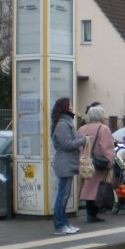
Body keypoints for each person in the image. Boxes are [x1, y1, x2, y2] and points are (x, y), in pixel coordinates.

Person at [50, 97, 87, 235]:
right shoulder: (63, 124)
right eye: (69, 105)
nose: (72, 106)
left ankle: (64, 223)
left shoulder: (65, 122)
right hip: (64, 162)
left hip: (67, 162)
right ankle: (60, 225)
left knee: (64, 196)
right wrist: (83, 140)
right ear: (65, 107)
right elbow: (67, 144)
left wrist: (80, 139)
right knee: (62, 196)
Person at [77, 105, 115, 222]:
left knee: (87, 188)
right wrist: (109, 162)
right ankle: (93, 214)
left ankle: (90, 214)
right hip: (97, 163)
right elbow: (107, 147)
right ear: (100, 116)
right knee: (97, 188)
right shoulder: (103, 129)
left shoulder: (81, 129)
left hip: (84, 162)